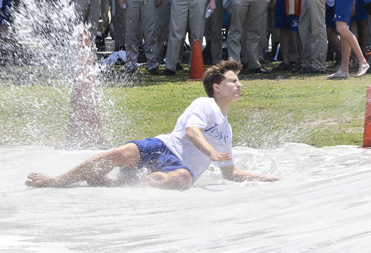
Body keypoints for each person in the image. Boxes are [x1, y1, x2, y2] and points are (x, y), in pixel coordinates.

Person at [26, 60, 278, 189]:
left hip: (177, 168)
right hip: (163, 147)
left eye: (238, 81)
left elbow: (230, 172)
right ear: (216, 87)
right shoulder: (205, 104)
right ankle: (57, 180)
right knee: (120, 153)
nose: (239, 84)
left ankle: (121, 186)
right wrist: (210, 152)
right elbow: (191, 131)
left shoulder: (226, 130)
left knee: (181, 178)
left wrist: (268, 179)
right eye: (233, 81)